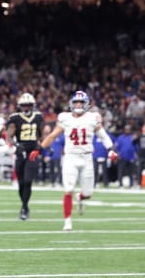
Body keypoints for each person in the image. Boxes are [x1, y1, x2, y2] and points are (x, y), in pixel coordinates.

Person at [31, 91, 117, 231]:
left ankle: (81, 198)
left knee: (88, 193)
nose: (78, 104)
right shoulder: (65, 118)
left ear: (86, 104)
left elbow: (103, 136)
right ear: (71, 103)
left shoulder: (92, 118)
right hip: (70, 157)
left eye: (81, 102)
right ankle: (67, 221)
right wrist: (39, 149)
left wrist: (111, 150)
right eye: (76, 102)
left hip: (87, 157)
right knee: (68, 189)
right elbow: (52, 136)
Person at [6, 92, 44, 220]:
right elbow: (9, 136)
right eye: (24, 105)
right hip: (20, 152)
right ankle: (24, 205)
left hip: (32, 152)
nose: (26, 108)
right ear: (20, 106)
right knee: (21, 183)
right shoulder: (15, 118)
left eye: (28, 105)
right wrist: (16, 144)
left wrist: (41, 146)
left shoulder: (38, 117)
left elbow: (41, 134)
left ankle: (24, 207)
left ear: (32, 105)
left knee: (28, 181)